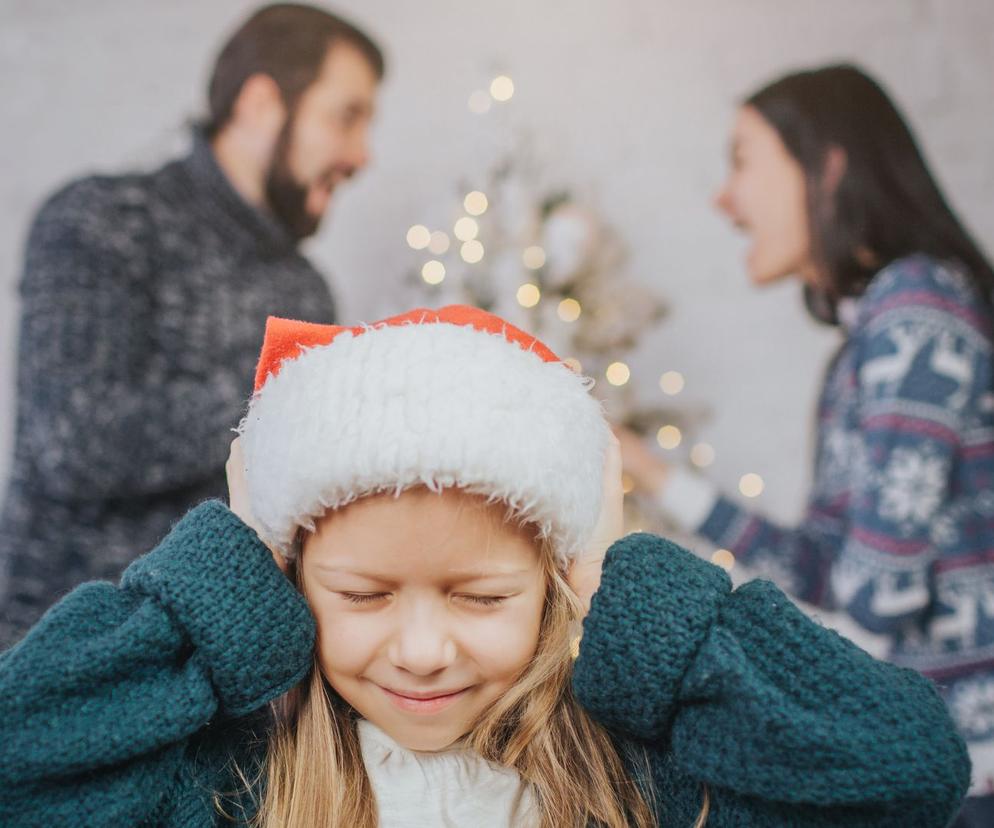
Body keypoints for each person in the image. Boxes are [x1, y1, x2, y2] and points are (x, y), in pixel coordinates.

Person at [0, 305, 970, 826]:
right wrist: (234, 566)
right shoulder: (229, 795)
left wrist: (610, 579)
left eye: (480, 595)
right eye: (363, 594)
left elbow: (906, 776)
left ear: (551, 585)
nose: (421, 650)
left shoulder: (639, 790)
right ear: (288, 587)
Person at [616, 63, 994, 825]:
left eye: (743, 161)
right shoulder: (864, 344)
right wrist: (654, 472)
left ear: (827, 167)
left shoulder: (915, 318)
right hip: (947, 758)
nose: (725, 198)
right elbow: (823, 565)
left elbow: (876, 591)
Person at [0, 4, 384, 648]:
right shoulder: (103, 217)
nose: (362, 155)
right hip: (70, 657)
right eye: (347, 117)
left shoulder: (306, 287)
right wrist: (293, 399)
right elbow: (72, 440)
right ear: (262, 103)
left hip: (236, 671)